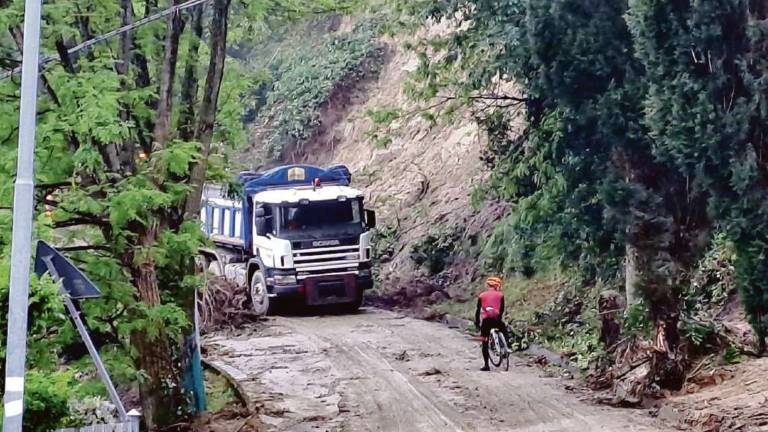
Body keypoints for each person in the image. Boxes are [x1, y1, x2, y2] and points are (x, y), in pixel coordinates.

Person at [475, 276, 508, 371]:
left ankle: (486, 365)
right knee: (505, 331)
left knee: (484, 342)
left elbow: (478, 311)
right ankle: (506, 347)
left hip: (486, 322)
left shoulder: (482, 295)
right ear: (497, 286)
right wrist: (499, 318)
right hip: (496, 320)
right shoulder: (500, 295)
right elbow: (501, 310)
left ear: (488, 285)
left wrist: (477, 323)